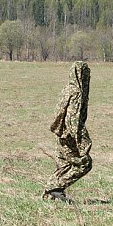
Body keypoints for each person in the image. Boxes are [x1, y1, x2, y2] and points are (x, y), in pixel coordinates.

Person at [43, 61, 93, 203]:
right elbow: (73, 121)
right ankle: (54, 188)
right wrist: (83, 142)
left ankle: (51, 195)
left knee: (63, 166)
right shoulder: (76, 93)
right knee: (84, 164)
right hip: (68, 136)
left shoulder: (68, 89)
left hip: (60, 134)